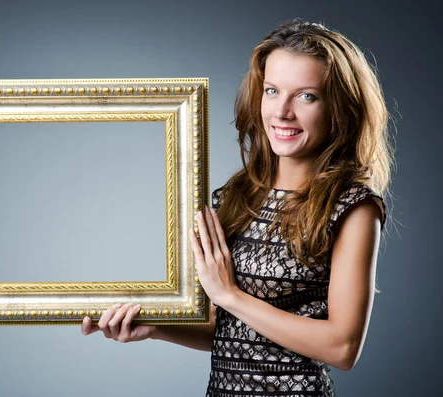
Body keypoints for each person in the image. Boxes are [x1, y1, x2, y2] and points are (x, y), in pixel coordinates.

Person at [81, 18, 393, 397]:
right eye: (273, 90)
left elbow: (342, 348)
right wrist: (155, 328)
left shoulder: (353, 207)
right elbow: (227, 328)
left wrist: (229, 294)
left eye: (306, 95)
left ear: (338, 109)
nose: (281, 112)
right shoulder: (234, 197)